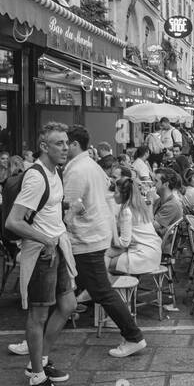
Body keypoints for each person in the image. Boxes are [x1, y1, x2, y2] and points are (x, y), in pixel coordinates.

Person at [5, 122, 78, 386]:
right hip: (41, 253)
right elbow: (14, 221)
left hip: (56, 247)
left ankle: (41, 361)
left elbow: (48, 209)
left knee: (68, 304)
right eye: (58, 143)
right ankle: (37, 378)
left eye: (66, 142)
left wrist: (67, 214)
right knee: (38, 314)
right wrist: (46, 239)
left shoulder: (54, 171)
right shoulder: (36, 177)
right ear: (44, 147)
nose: (65, 147)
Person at [64, 125, 147, 359]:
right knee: (64, 287)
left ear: (73, 144)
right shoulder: (92, 166)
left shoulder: (78, 170)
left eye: (63, 143)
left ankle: (133, 336)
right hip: (93, 237)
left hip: (85, 239)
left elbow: (69, 206)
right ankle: (36, 338)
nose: (61, 148)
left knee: (102, 291)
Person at [108, 175, 164, 276]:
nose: (113, 195)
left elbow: (124, 242)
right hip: (154, 253)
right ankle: (126, 290)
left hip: (143, 256)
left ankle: (119, 289)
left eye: (116, 192)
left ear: (123, 194)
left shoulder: (126, 211)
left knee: (105, 263)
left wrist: (111, 236)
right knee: (111, 254)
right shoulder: (139, 206)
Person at [153, 169, 186, 235]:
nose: (153, 184)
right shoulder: (159, 200)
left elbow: (151, 226)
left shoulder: (172, 205)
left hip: (163, 243)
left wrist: (149, 201)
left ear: (166, 184)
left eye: (156, 181)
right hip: (154, 239)